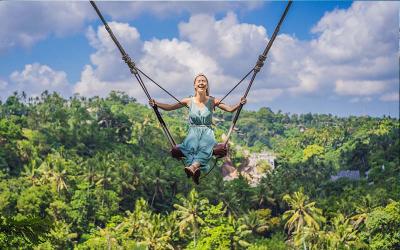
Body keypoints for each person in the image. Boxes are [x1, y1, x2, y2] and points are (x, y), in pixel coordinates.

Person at [149, 73, 246, 184]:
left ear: (207, 85)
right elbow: (170, 107)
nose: (201, 82)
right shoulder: (188, 101)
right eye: (199, 81)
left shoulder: (212, 100)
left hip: (207, 132)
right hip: (193, 132)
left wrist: (240, 104)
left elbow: (230, 109)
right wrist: (156, 103)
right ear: (195, 85)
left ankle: (192, 167)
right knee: (191, 147)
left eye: (203, 81)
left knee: (205, 147)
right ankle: (196, 170)